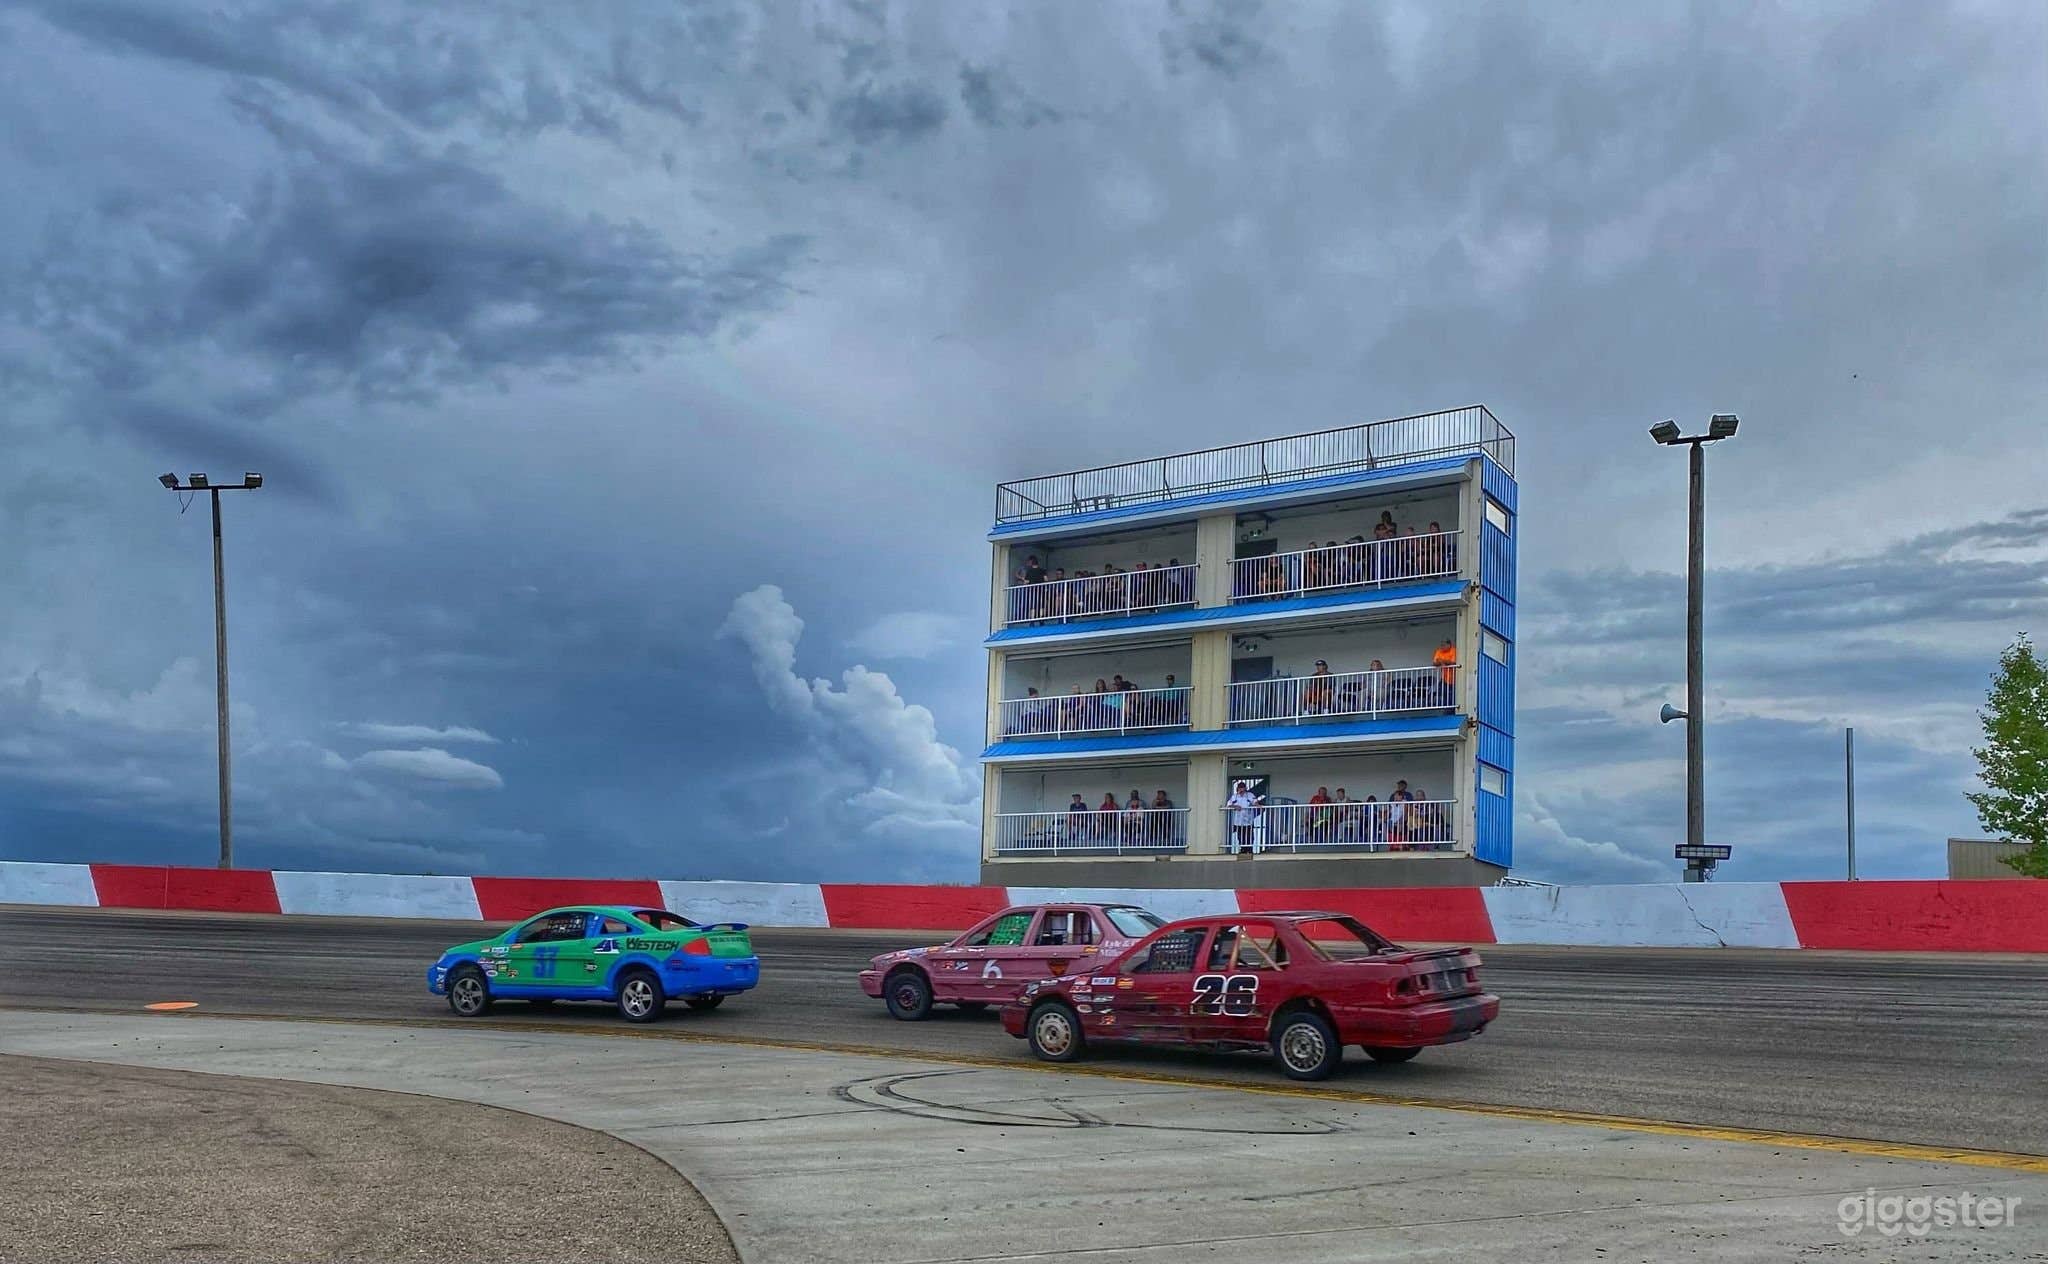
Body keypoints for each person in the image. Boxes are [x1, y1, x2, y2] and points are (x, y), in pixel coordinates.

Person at [1226, 780, 1264, 854]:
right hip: (1238, 821)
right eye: (1240, 788)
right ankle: (1243, 849)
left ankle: (1249, 849)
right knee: (1240, 836)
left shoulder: (1250, 795)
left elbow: (1255, 802)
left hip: (1248, 820)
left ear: (1245, 788)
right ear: (1238, 788)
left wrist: (1259, 806)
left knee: (1250, 836)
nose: (1241, 789)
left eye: (1242, 788)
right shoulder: (1234, 796)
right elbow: (1229, 804)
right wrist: (1235, 806)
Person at [1434, 637, 1458, 705]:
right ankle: (1443, 709)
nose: (1442, 647)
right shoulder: (1439, 651)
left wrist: (1442, 661)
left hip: (1454, 680)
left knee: (1452, 697)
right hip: (1444, 679)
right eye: (1441, 645)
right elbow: (1434, 663)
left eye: (1443, 645)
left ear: (1449, 645)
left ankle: (1451, 710)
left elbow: (1453, 662)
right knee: (1440, 693)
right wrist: (1442, 662)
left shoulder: (1453, 651)